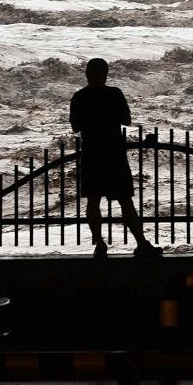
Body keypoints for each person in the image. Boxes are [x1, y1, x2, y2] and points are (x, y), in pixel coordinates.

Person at [69, 58, 162, 258]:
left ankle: (100, 244)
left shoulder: (79, 97)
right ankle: (141, 243)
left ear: (87, 74)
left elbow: (75, 127)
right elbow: (126, 120)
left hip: (92, 152)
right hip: (114, 153)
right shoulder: (114, 93)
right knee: (125, 201)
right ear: (106, 74)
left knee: (93, 201)